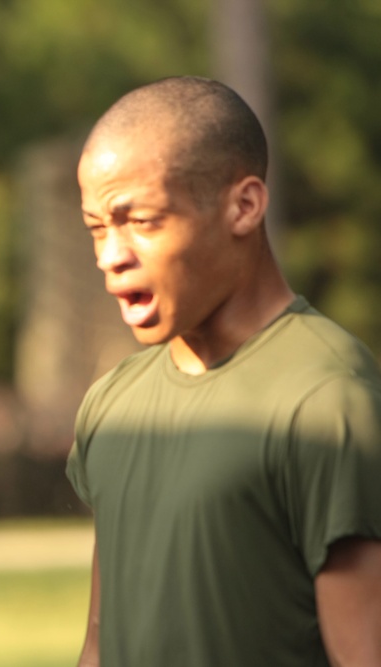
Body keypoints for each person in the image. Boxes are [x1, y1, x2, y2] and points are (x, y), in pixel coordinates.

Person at [66, 76, 381, 667]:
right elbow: (100, 645)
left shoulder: (329, 401)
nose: (110, 256)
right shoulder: (111, 405)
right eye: (97, 227)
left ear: (245, 206)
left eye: (142, 221)